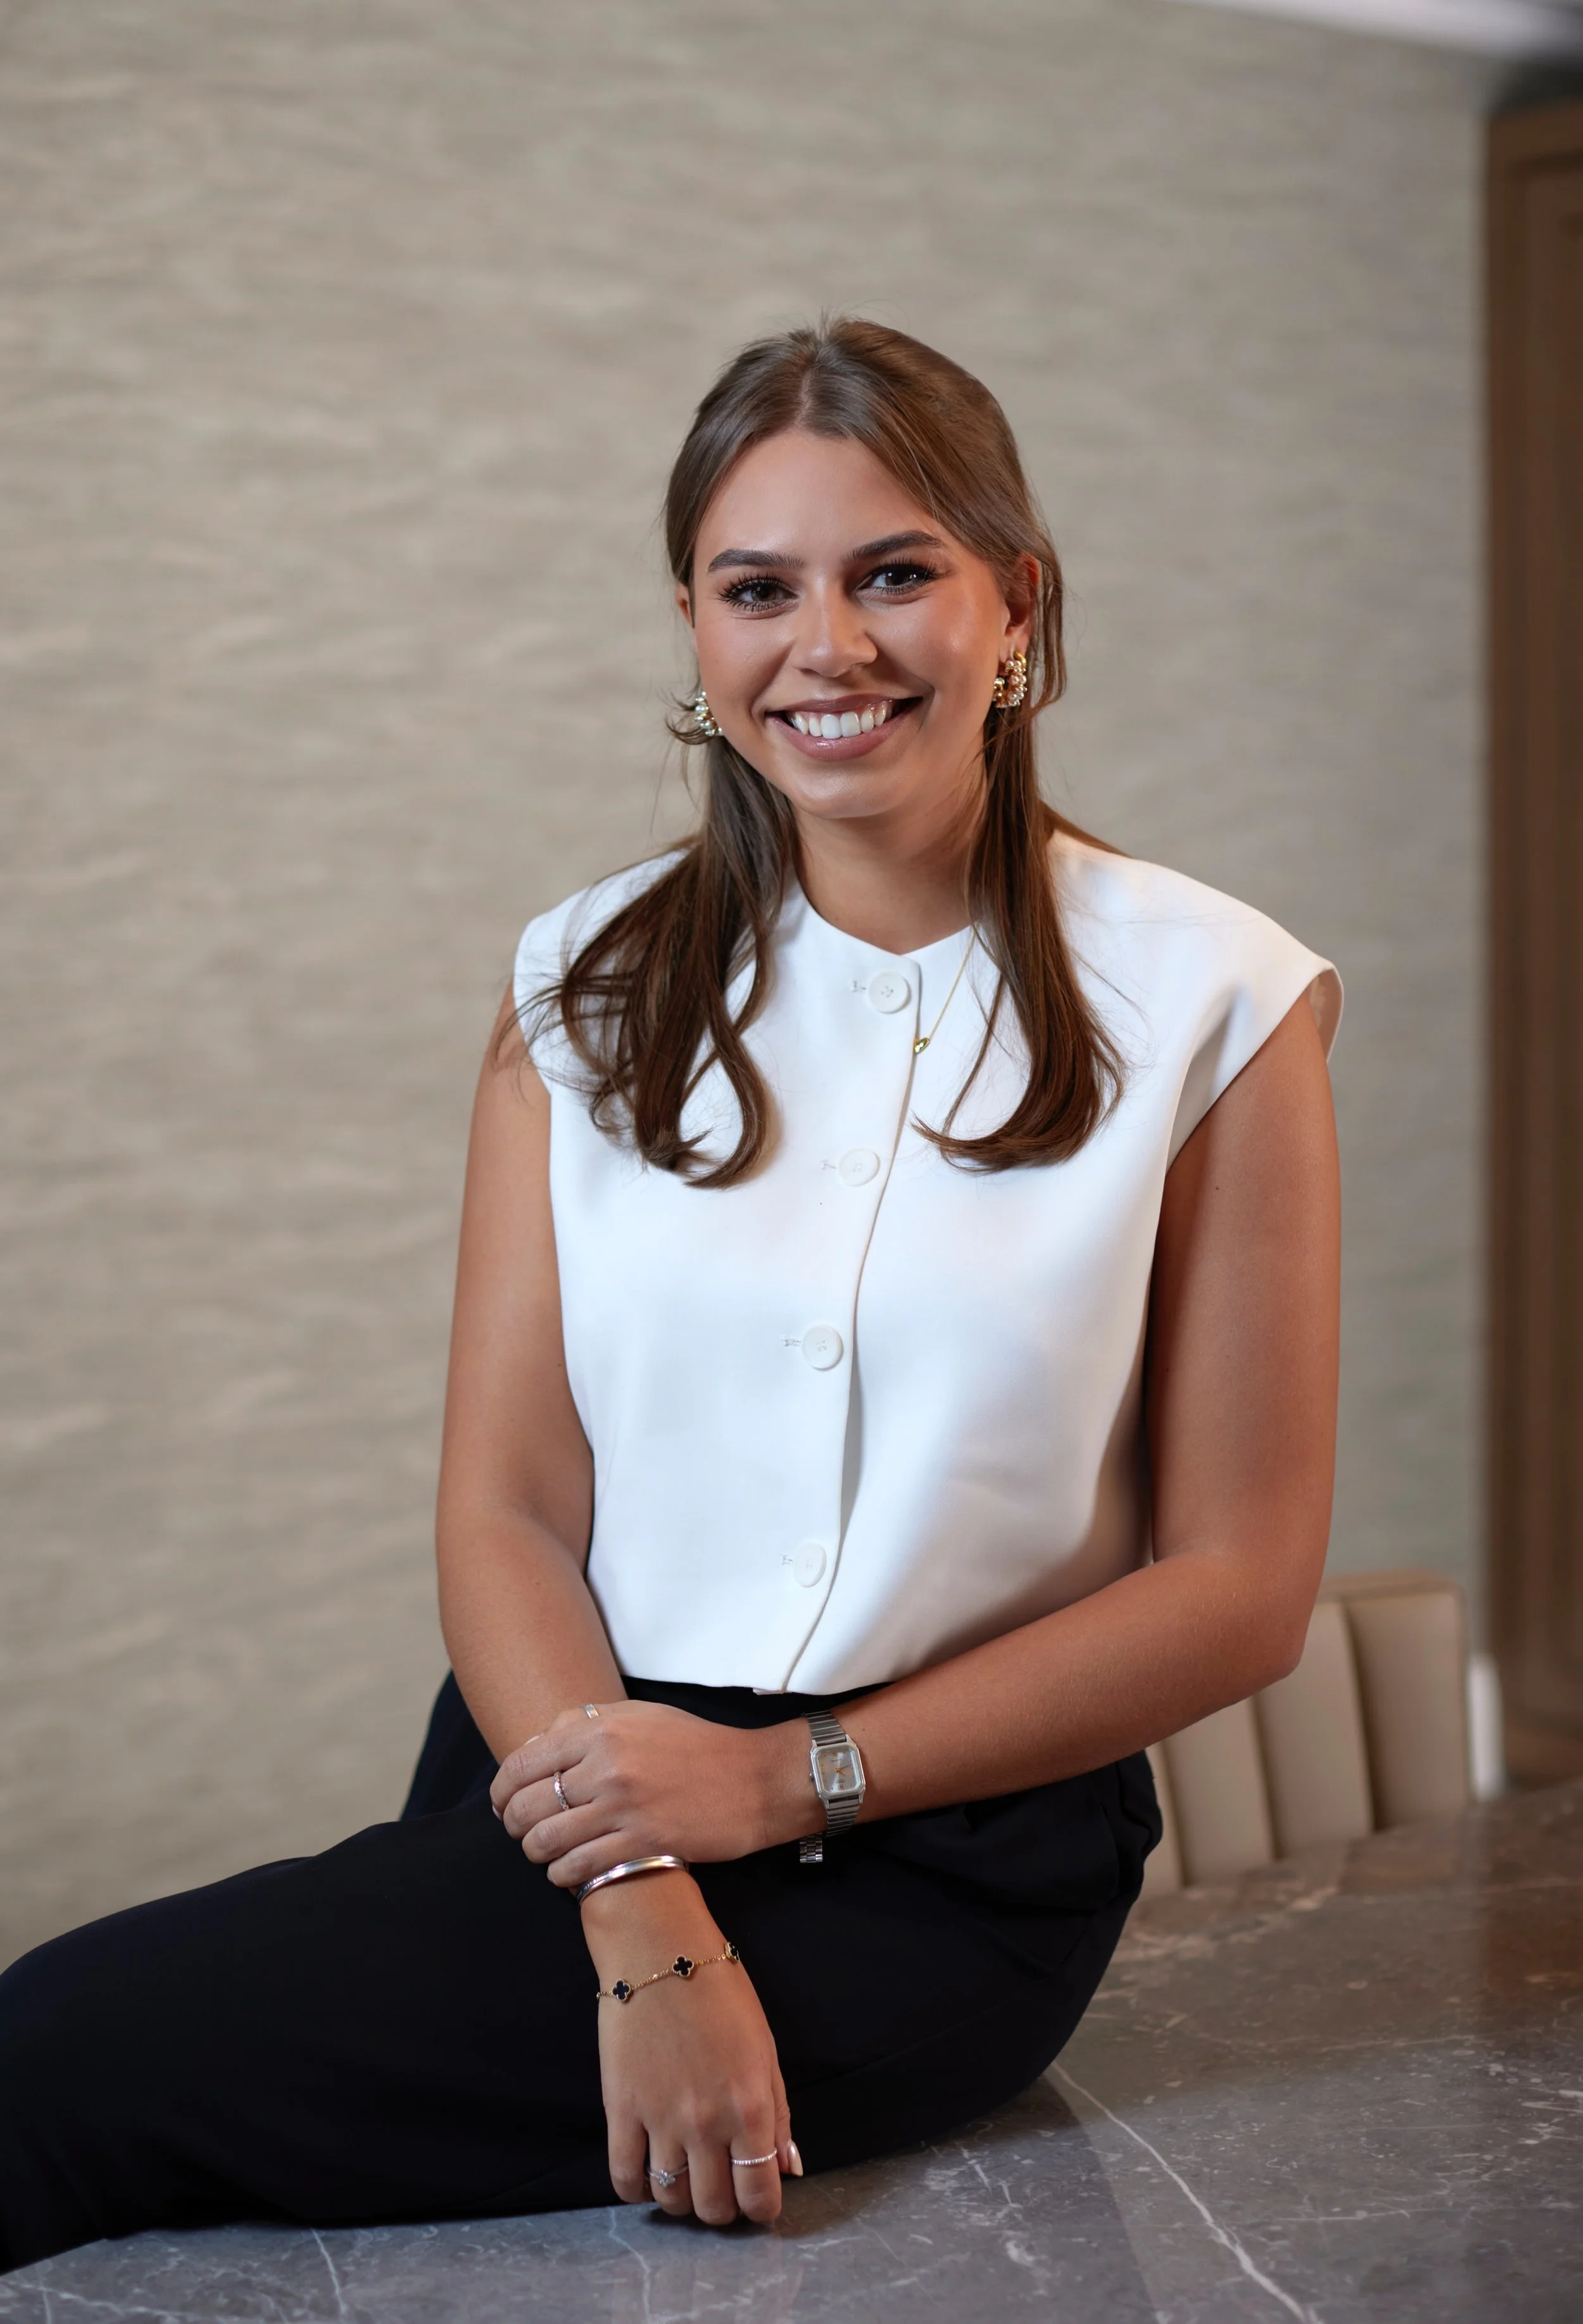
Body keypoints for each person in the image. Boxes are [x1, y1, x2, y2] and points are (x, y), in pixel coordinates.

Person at [0, 319, 1341, 2270]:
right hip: (563, 1796)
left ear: (1014, 607)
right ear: (696, 634)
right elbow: (507, 1507)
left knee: (52, 2062)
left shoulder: (1218, 997)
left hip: (933, 1863)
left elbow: (1237, 1585)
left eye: (894, 572)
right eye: (756, 588)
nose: (829, 646)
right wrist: (640, 1898)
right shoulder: (585, 983)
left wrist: (775, 1782)